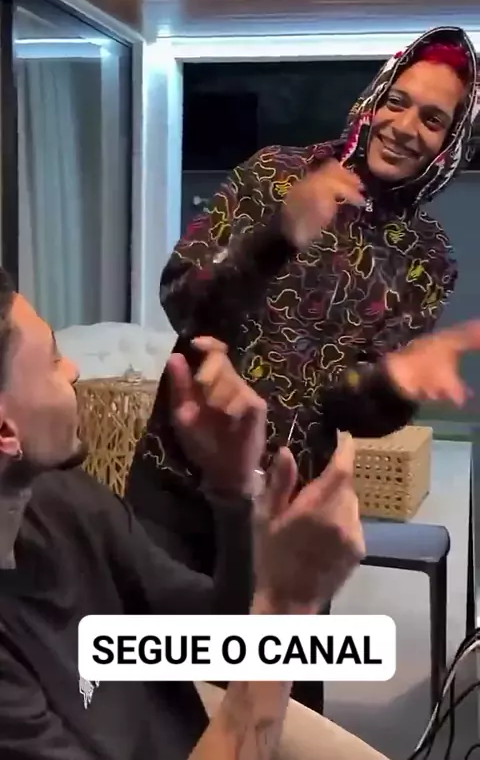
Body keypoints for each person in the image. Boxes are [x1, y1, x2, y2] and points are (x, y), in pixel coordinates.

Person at [127, 25, 480, 576]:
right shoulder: (275, 173)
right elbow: (181, 296)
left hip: (288, 511)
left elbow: (347, 411)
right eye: (397, 102)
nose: (405, 127)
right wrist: (277, 237)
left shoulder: (428, 256)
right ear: (373, 101)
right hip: (176, 483)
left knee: (278, 635)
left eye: (432, 120)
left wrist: (391, 385)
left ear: (450, 145)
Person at [0, 269, 367, 760]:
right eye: (51, 359)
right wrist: (288, 609)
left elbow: (217, 643)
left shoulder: (61, 498)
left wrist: (231, 492)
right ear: (5, 431)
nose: (72, 370)